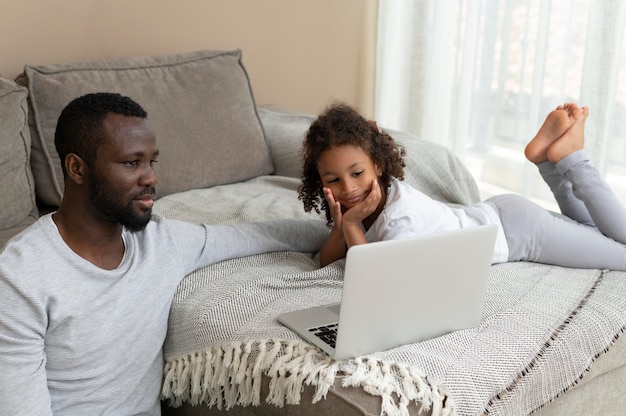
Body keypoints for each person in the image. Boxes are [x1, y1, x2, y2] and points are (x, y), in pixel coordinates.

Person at [0, 92, 327, 415]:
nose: (152, 178)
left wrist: (345, 229)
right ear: (77, 168)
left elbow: (257, 235)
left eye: (151, 161)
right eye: (132, 163)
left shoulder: (161, 242)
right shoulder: (20, 277)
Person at [298, 102, 626, 270]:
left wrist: (351, 225)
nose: (348, 188)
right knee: (590, 230)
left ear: (378, 165)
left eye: (357, 173)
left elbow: (370, 276)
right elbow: (328, 262)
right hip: (503, 216)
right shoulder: (363, 205)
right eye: (333, 180)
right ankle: (550, 161)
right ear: (320, 182)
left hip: (520, 233)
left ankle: (572, 158)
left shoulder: (401, 219)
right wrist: (343, 227)